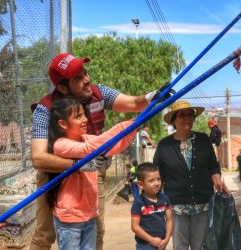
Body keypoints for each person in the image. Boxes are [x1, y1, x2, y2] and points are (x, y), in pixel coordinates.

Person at [30, 53, 165, 250]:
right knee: (45, 234)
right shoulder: (46, 109)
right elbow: (38, 158)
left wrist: (153, 97)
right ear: (62, 87)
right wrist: (78, 165)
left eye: (85, 73)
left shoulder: (98, 93)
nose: (87, 80)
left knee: (95, 231)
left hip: (92, 175)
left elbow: (135, 103)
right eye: (78, 78)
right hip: (55, 176)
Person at [46, 98, 137, 249]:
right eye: (78, 116)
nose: (85, 119)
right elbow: (89, 148)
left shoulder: (87, 138)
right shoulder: (60, 145)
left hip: (89, 214)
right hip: (70, 217)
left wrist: (134, 127)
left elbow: (114, 145)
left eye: (83, 114)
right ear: (63, 124)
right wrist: (126, 125)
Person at [153, 100, 229, 250]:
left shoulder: (203, 140)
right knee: (180, 246)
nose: (187, 118)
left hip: (202, 204)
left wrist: (218, 181)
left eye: (190, 114)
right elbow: (157, 175)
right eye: (181, 115)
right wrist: (153, 201)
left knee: (200, 246)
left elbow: (213, 166)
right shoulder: (164, 145)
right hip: (176, 207)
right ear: (174, 120)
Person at [131, 162, 173, 250]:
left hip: (161, 244)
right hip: (145, 245)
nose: (156, 183)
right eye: (151, 180)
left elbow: (169, 220)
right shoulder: (138, 203)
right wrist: (151, 240)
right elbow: (135, 227)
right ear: (140, 184)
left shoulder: (165, 199)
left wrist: (167, 238)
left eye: (158, 179)